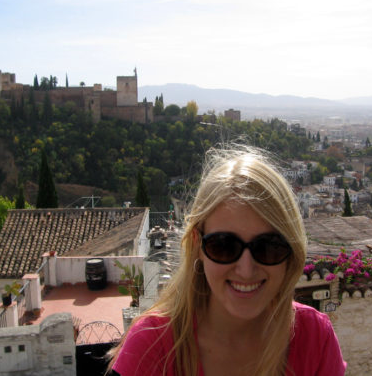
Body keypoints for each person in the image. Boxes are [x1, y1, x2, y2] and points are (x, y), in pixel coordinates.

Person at [109, 146, 346, 376]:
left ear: (291, 251)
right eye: (223, 246)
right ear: (197, 244)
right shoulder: (152, 346)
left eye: (268, 247)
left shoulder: (314, 338)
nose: (246, 270)